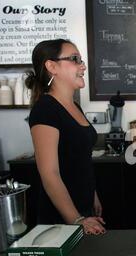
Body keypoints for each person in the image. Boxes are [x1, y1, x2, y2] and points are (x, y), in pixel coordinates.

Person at [25, 39, 105, 235]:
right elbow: (49, 174)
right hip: (61, 219)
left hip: (82, 211)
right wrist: (77, 220)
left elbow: (80, 160)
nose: (83, 66)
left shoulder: (74, 107)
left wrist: (92, 195)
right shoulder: (45, 109)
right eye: (75, 59)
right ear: (52, 66)